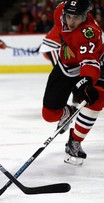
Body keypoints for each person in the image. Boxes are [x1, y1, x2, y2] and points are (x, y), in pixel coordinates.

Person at [41, 0, 104, 166]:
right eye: (68, 16)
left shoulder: (89, 32)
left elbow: (90, 62)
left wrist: (86, 82)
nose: (71, 21)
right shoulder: (59, 11)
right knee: (49, 114)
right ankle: (68, 112)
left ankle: (74, 141)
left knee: (97, 98)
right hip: (65, 66)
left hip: (93, 64)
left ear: (85, 16)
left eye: (76, 18)